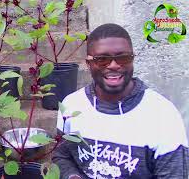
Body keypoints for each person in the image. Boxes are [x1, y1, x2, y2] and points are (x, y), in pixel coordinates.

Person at [52, 23, 189, 179]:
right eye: (102, 59)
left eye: (123, 58)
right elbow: (62, 156)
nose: (114, 65)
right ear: (89, 63)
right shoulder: (71, 106)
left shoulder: (163, 115)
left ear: (132, 59)